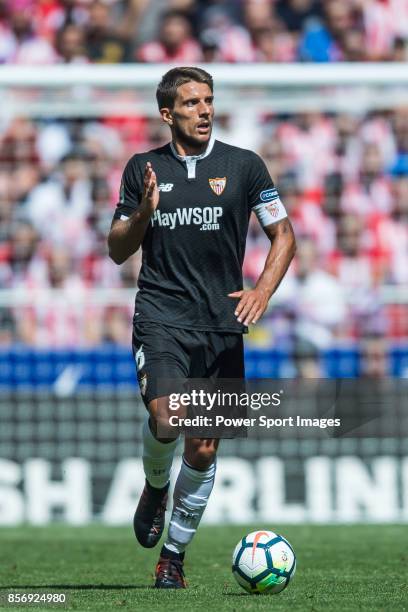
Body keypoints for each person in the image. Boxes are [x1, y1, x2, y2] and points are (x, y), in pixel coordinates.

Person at [107, 66, 296, 589]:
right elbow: (118, 248)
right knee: (167, 420)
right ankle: (154, 485)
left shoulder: (244, 166)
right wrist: (143, 214)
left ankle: (172, 559)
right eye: (191, 103)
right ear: (167, 114)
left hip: (222, 322)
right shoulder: (142, 168)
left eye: (208, 100)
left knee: (205, 447)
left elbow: (284, 235)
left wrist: (261, 291)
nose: (205, 110)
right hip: (162, 315)